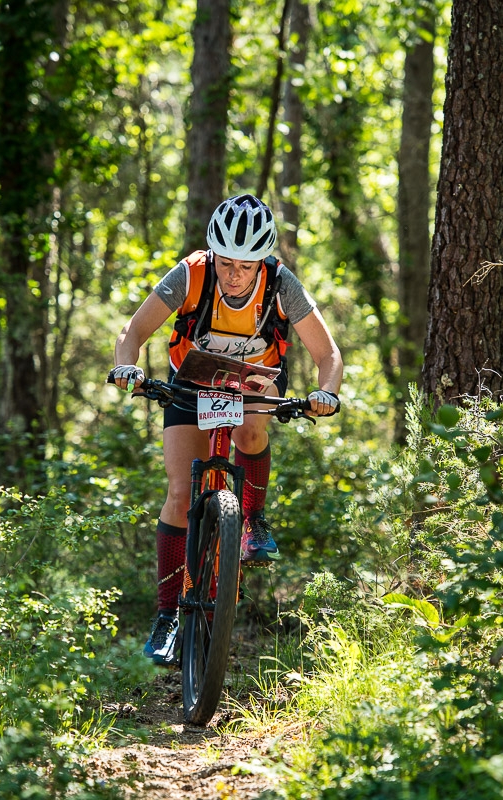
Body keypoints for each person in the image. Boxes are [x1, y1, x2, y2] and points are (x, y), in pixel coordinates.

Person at [109, 193, 343, 665]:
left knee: (252, 433)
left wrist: (327, 393)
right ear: (213, 254)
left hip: (253, 382)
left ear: (263, 262)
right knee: (179, 494)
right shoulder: (192, 274)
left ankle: (252, 522)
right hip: (192, 379)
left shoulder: (281, 283)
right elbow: (132, 333)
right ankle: (167, 614)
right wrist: (126, 367)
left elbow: (328, 354)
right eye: (227, 263)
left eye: (247, 265)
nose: (235, 274)